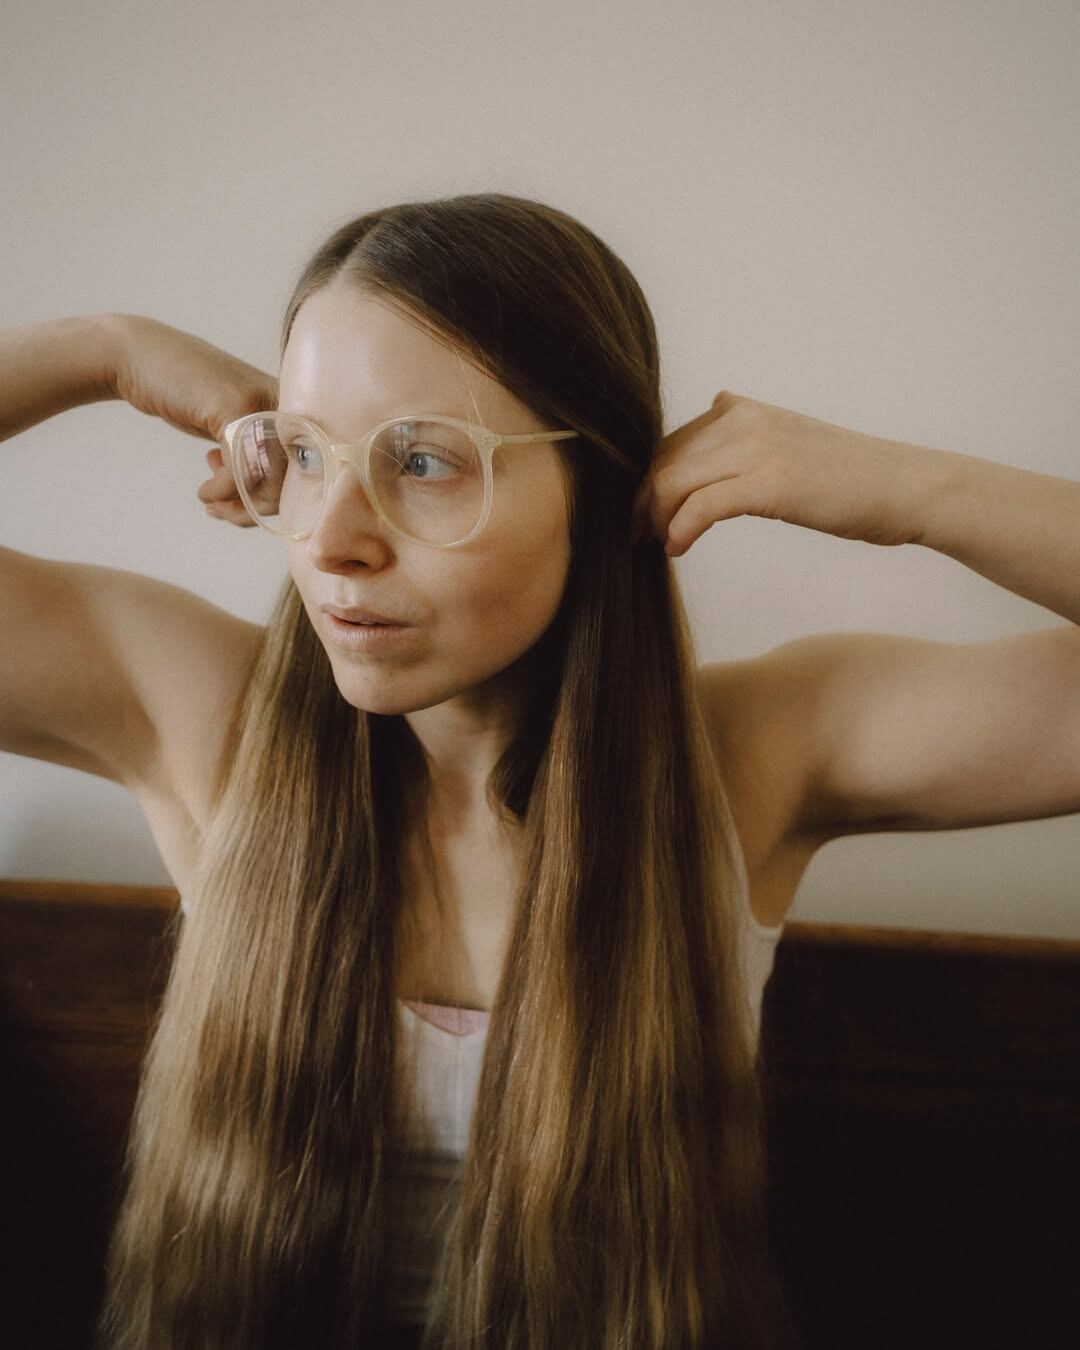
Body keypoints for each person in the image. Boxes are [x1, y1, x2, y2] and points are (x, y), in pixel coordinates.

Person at [1, 194, 801, 1350]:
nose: (332, 536)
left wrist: (883, 492)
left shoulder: (747, 763)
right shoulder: (208, 725)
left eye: (422, 459)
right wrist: (105, 350)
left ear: (602, 483)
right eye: (306, 453)